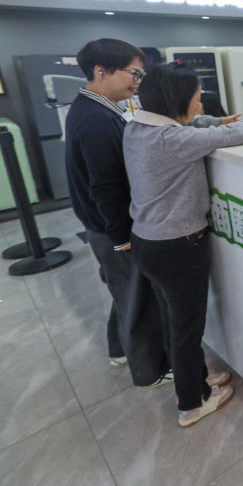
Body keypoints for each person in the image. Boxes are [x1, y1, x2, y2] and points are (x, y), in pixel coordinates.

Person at [123, 62, 243, 427]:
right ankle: (192, 403)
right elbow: (242, 131)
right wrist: (225, 124)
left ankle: (197, 379)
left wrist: (211, 120)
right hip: (178, 247)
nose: (200, 105)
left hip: (148, 241)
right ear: (174, 101)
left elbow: (191, 125)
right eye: (196, 98)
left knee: (174, 322)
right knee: (187, 328)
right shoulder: (172, 141)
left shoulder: (136, 127)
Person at [64, 38, 171, 389]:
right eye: (134, 73)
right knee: (137, 298)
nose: (138, 82)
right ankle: (151, 371)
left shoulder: (95, 107)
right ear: (101, 71)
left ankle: (119, 350)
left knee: (123, 290)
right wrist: (121, 236)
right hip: (110, 226)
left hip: (103, 225)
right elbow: (105, 185)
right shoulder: (96, 118)